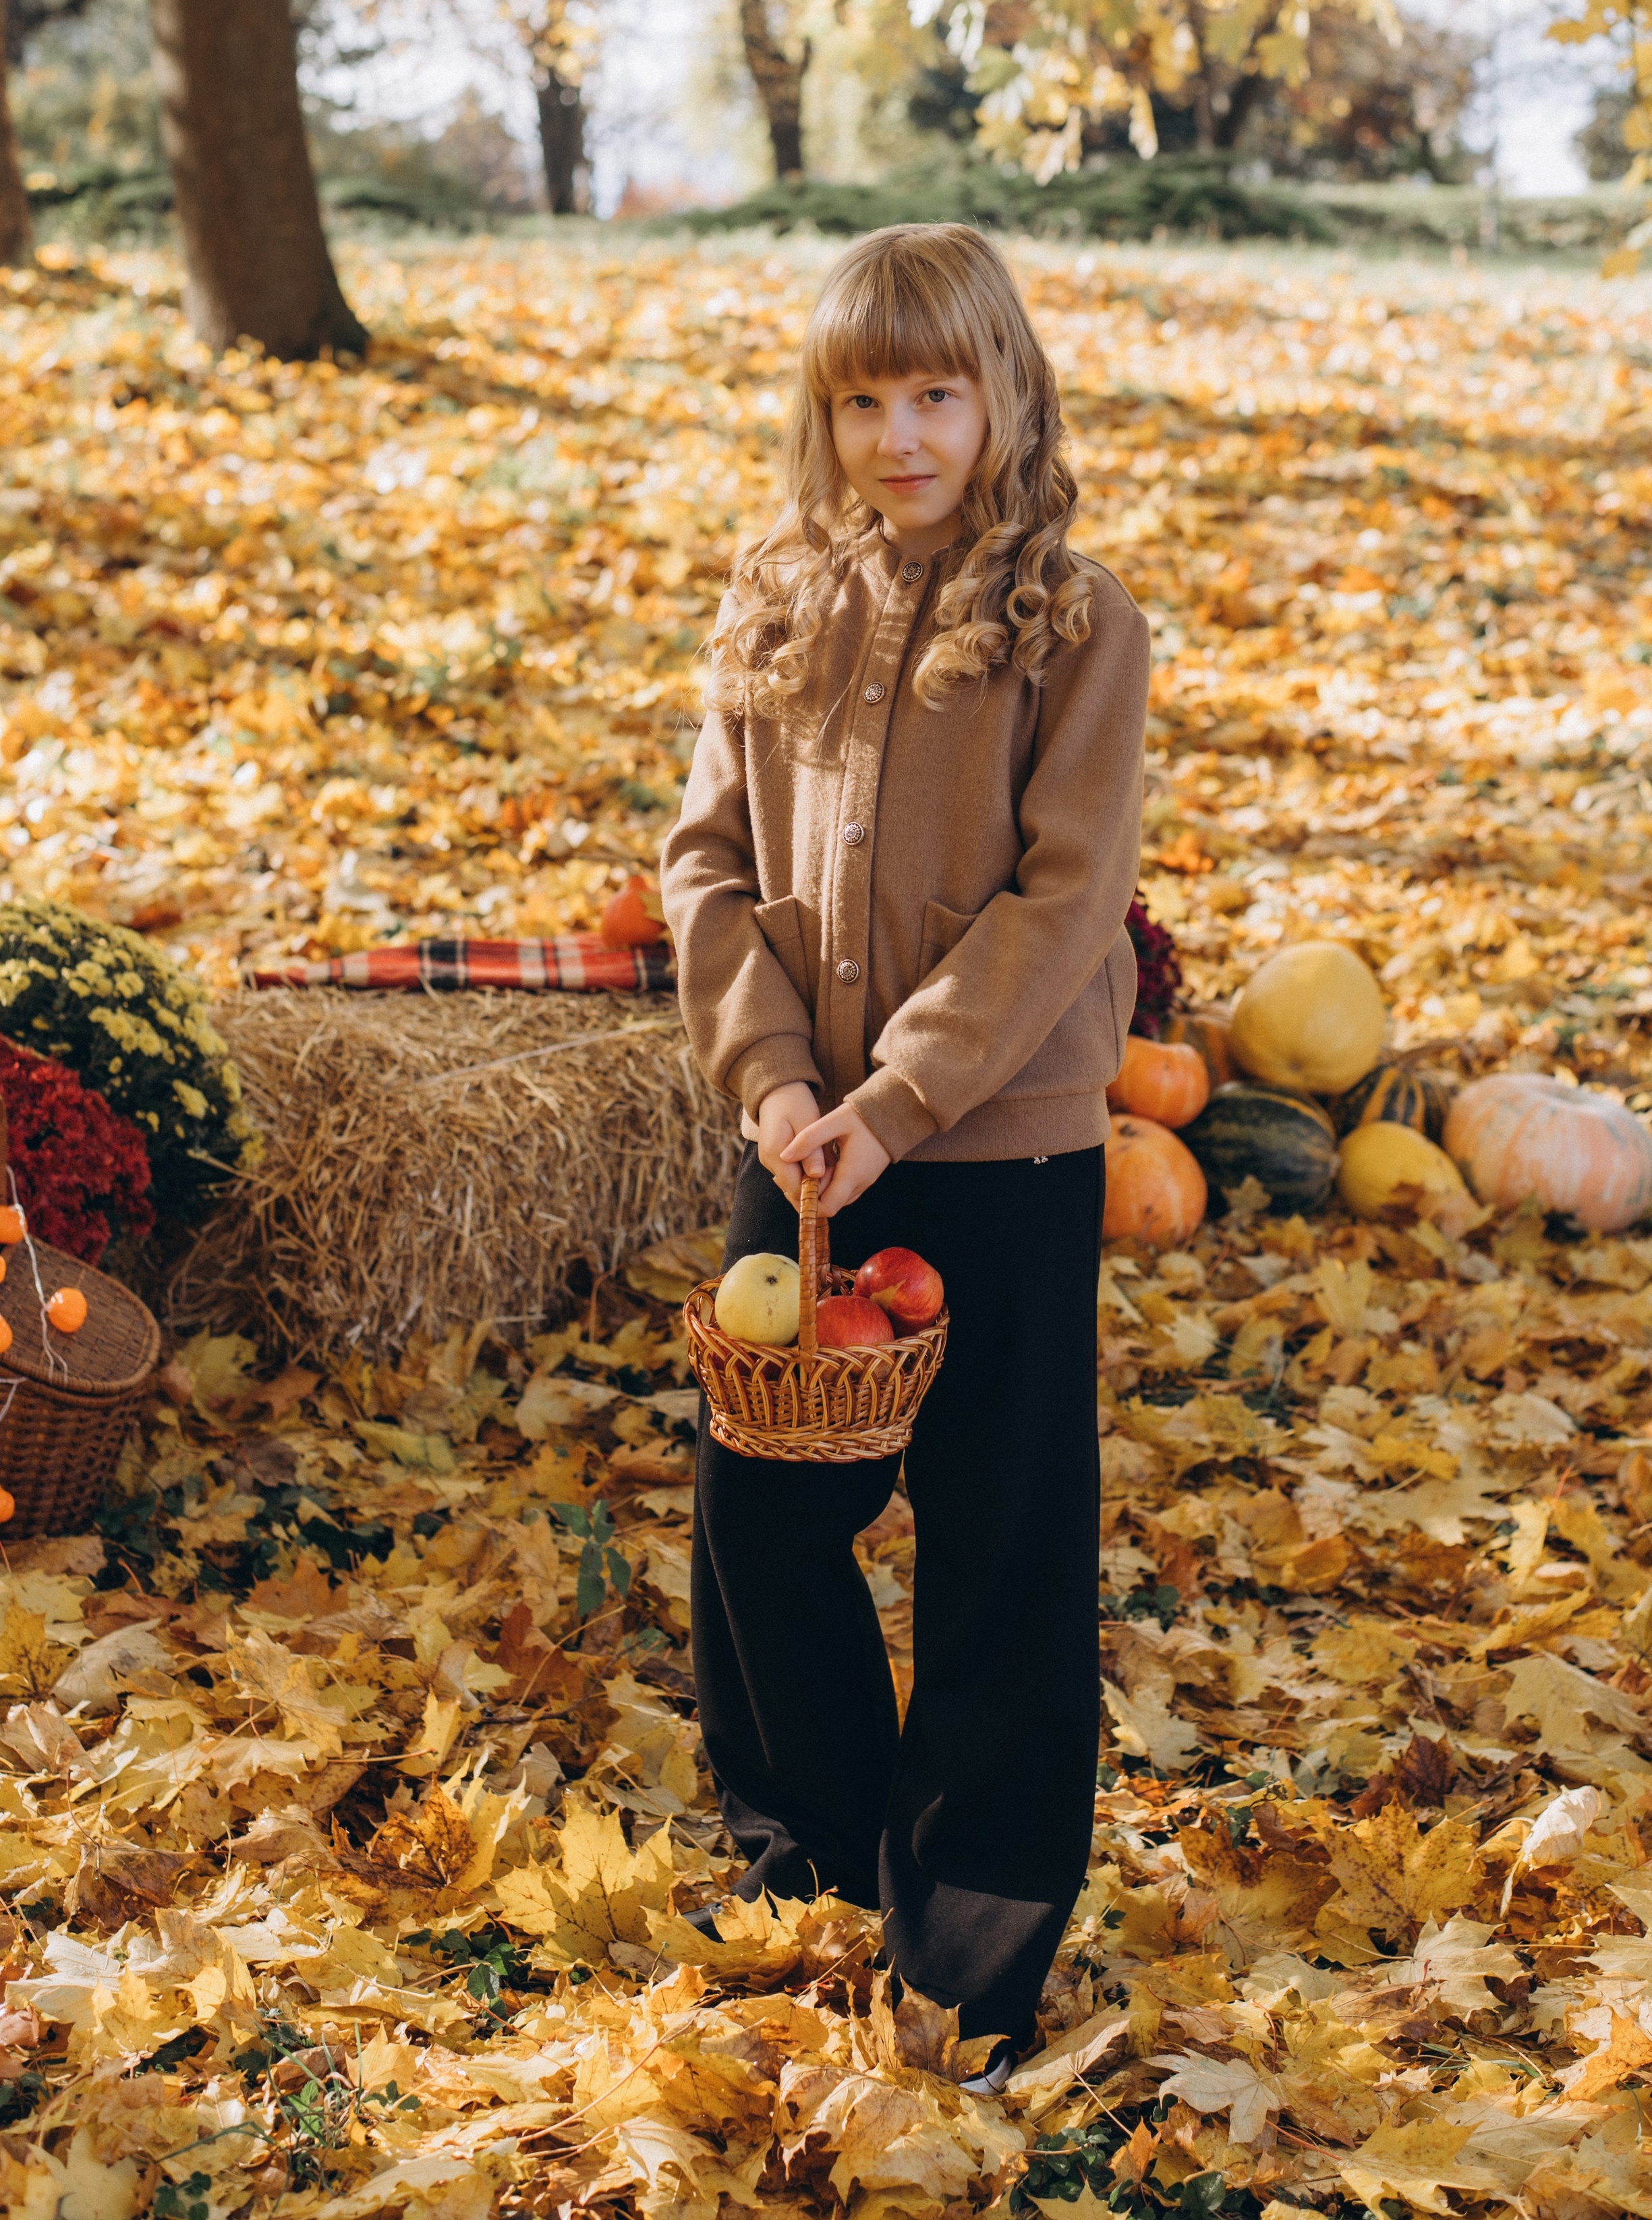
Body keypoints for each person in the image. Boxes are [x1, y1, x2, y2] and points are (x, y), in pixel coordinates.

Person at [659, 221, 1150, 2092]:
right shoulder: (777, 597)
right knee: (761, 1500)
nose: (900, 434)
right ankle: (811, 1849)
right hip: (797, 1147)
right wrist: (778, 1082)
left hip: (992, 1144)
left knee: (1003, 1524)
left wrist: (904, 1099)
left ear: (1005, 396)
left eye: (937, 392)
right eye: (862, 399)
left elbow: (1063, 895)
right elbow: (704, 861)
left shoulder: (1079, 624)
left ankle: (978, 1912)